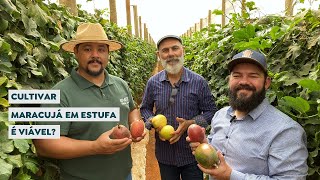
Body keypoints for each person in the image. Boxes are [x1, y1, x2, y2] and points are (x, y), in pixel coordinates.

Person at [33, 23, 145, 180]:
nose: (95, 55)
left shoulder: (120, 84)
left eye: (101, 49)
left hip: (124, 174)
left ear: (108, 54)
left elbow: (131, 109)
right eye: (87, 49)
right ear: (76, 52)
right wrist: (95, 147)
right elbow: (44, 145)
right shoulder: (60, 94)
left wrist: (135, 124)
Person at [188, 49, 308, 180]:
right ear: (229, 80)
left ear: (266, 82)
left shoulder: (286, 131)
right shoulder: (220, 115)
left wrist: (230, 175)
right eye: (237, 75)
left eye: (253, 75)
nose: (243, 81)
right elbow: (217, 152)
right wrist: (206, 145)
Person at [140, 35, 218, 180]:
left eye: (175, 48)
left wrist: (191, 123)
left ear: (183, 51)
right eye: (165, 50)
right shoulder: (153, 83)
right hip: (165, 155)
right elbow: (145, 108)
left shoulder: (199, 82)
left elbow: (211, 112)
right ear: (159, 55)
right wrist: (152, 121)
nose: (170, 54)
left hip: (193, 154)